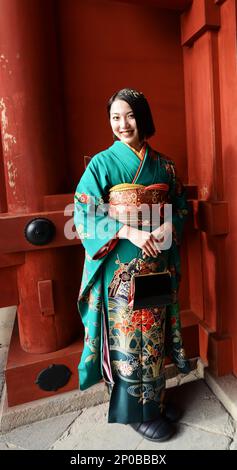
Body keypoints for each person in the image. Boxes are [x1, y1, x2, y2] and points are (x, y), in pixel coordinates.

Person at [74, 88, 191, 442]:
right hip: (122, 266)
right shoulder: (101, 164)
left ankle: (153, 401)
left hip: (157, 262)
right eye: (115, 117)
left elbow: (180, 204)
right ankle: (133, 411)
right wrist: (129, 232)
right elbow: (85, 213)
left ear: (143, 117)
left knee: (154, 333)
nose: (122, 124)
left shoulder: (165, 165)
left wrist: (171, 223)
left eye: (129, 115)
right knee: (129, 336)